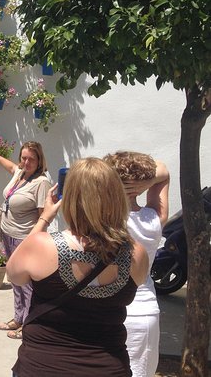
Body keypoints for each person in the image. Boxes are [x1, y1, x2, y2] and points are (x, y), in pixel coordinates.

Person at [8, 158, 149, 376]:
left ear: (71, 198)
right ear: (116, 199)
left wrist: (45, 217)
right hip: (108, 368)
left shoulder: (40, 246)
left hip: (43, 367)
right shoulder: (136, 254)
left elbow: (15, 275)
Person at [0, 138, 52, 339]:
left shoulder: (41, 182)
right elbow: (10, 166)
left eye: (31, 160)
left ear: (39, 161)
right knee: (15, 279)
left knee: (27, 284)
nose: (26, 163)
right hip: (8, 235)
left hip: (24, 239)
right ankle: (18, 317)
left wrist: (36, 242)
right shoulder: (20, 173)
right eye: (24, 158)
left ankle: (27, 325)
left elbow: (43, 215)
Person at [104, 152, 169, 377]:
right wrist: (147, 182)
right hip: (147, 311)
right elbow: (164, 171)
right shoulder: (154, 219)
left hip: (111, 310)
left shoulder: (105, 221)